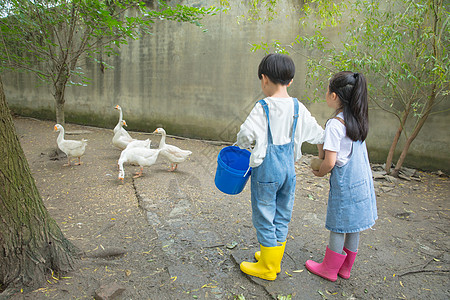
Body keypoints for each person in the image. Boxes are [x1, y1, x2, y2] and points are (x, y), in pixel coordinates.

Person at [236, 53, 325, 281]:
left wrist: (244, 147)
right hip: (288, 170)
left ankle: (267, 267)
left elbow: (245, 134)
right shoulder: (298, 107)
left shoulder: (263, 106)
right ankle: (273, 260)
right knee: (282, 214)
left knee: (264, 214)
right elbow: (319, 134)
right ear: (291, 80)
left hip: (267, 170)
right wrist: (322, 158)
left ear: (264, 79)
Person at [305, 71, 377, 282]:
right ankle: (345, 268)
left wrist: (319, 173)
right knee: (353, 225)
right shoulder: (357, 119)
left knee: (338, 224)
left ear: (334, 96)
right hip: (361, 181)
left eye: (328, 90)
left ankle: (328, 269)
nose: (326, 94)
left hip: (346, 184)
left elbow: (329, 161)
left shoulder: (335, 124)